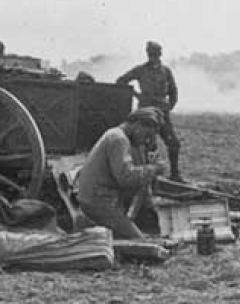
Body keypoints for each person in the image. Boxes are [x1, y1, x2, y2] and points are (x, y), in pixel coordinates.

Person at [76, 107, 167, 239]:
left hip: (103, 199)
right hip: (99, 202)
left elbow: (139, 178)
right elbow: (126, 177)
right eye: (146, 135)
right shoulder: (118, 139)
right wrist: (153, 169)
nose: (146, 140)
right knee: (139, 242)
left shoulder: (124, 138)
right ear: (138, 125)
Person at [116, 41, 183, 181]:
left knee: (174, 143)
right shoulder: (140, 70)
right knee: (147, 145)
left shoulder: (165, 71)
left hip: (161, 114)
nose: (153, 57)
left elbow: (173, 91)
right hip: (145, 114)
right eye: (151, 54)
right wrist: (137, 95)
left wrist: (169, 106)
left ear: (160, 55)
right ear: (148, 54)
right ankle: (149, 177)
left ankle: (175, 175)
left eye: (156, 55)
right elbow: (121, 81)